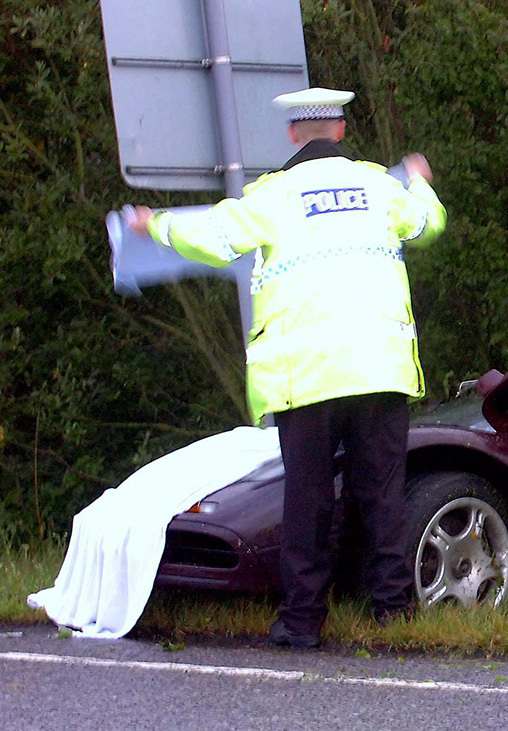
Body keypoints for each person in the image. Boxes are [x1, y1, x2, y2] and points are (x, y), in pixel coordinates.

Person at [128, 87, 447, 648]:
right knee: (382, 496)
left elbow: (215, 238)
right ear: (342, 131)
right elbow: (429, 224)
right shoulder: (380, 187)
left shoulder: (272, 197)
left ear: (293, 134)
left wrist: (155, 225)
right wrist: (417, 176)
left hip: (308, 379)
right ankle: (393, 614)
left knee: (308, 501)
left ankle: (302, 621)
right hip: (379, 371)